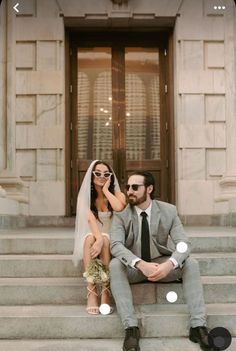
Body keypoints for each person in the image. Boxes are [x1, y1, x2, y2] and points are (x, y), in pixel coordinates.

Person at [109, 171, 211, 351]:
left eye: (135, 187)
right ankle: (131, 329)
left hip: (161, 265)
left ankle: (198, 326)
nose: (129, 191)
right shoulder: (121, 215)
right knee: (115, 265)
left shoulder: (168, 210)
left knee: (191, 264)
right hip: (136, 268)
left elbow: (184, 244)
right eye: (128, 187)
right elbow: (116, 245)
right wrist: (140, 264)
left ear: (149, 188)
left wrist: (169, 264)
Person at [72, 160, 126, 315]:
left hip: (113, 238)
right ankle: (92, 291)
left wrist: (107, 191)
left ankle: (106, 292)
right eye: (97, 173)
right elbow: (90, 220)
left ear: (110, 177)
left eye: (106, 174)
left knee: (105, 238)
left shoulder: (118, 195)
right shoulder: (85, 198)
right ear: (91, 176)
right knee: (90, 238)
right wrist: (99, 238)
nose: (102, 176)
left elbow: (118, 208)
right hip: (94, 237)